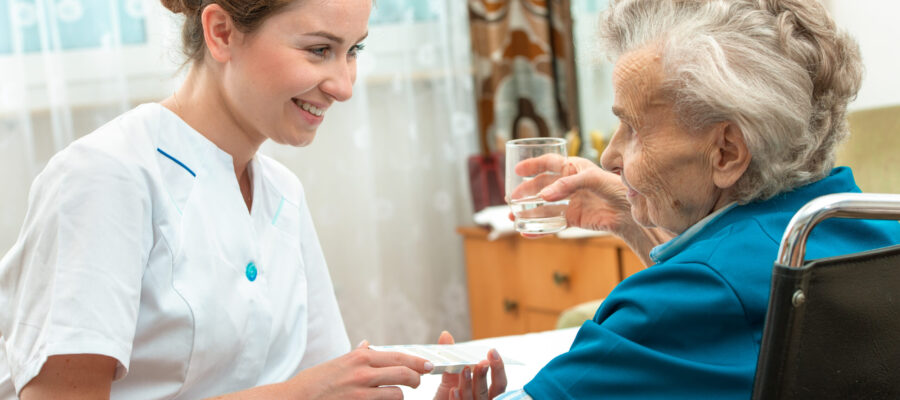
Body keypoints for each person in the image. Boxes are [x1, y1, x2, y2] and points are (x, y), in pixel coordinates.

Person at [0, 0, 505, 399]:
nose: (345, 85)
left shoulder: (282, 192)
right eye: (318, 49)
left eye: (354, 50)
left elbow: (320, 384)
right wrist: (298, 395)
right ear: (221, 32)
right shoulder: (107, 178)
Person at [496, 0, 900, 398]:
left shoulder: (693, 296)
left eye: (633, 127)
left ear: (725, 152)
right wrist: (631, 216)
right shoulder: (872, 228)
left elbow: (706, 296)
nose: (608, 156)